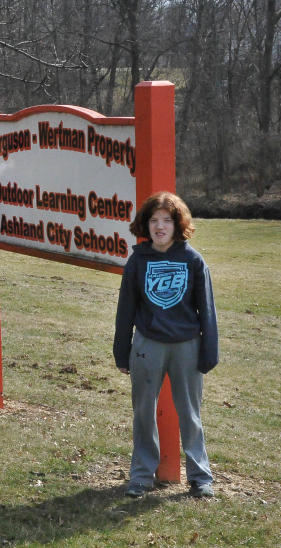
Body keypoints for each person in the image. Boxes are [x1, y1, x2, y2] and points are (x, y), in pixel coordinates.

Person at [113, 191, 218, 498]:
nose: (160, 227)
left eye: (167, 221)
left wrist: (208, 352)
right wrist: (122, 351)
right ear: (146, 225)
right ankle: (142, 476)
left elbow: (207, 310)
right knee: (144, 412)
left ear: (177, 224)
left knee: (190, 414)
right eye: (154, 221)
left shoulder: (193, 261)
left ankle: (200, 477)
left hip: (186, 345)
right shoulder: (138, 261)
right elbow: (126, 310)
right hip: (148, 345)